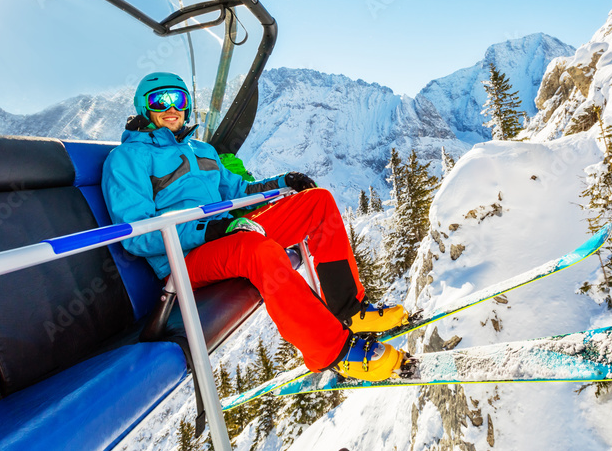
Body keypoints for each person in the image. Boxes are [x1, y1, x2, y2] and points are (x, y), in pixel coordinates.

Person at [102, 71, 408, 381]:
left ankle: (350, 310)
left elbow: (238, 191)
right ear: (144, 108)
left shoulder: (201, 151)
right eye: (160, 100)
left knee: (318, 202)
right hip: (184, 261)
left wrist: (282, 182)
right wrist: (212, 231)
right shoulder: (127, 158)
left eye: (178, 99)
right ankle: (333, 352)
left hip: (229, 234)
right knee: (258, 250)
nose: (171, 108)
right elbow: (137, 235)